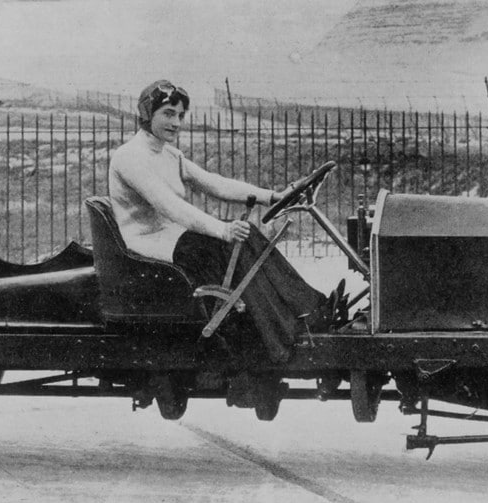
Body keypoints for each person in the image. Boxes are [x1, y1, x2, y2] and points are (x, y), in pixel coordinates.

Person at [108, 80, 328, 363]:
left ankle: (308, 308)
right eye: (167, 113)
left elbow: (214, 184)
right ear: (147, 114)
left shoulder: (169, 154)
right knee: (227, 244)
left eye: (180, 116)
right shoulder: (130, 157)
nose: (176, 122)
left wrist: (272, 196)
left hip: (173, 235)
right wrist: (222, 230)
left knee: (246, 236)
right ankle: (280, 331)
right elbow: (169, 205)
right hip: (148, 242)